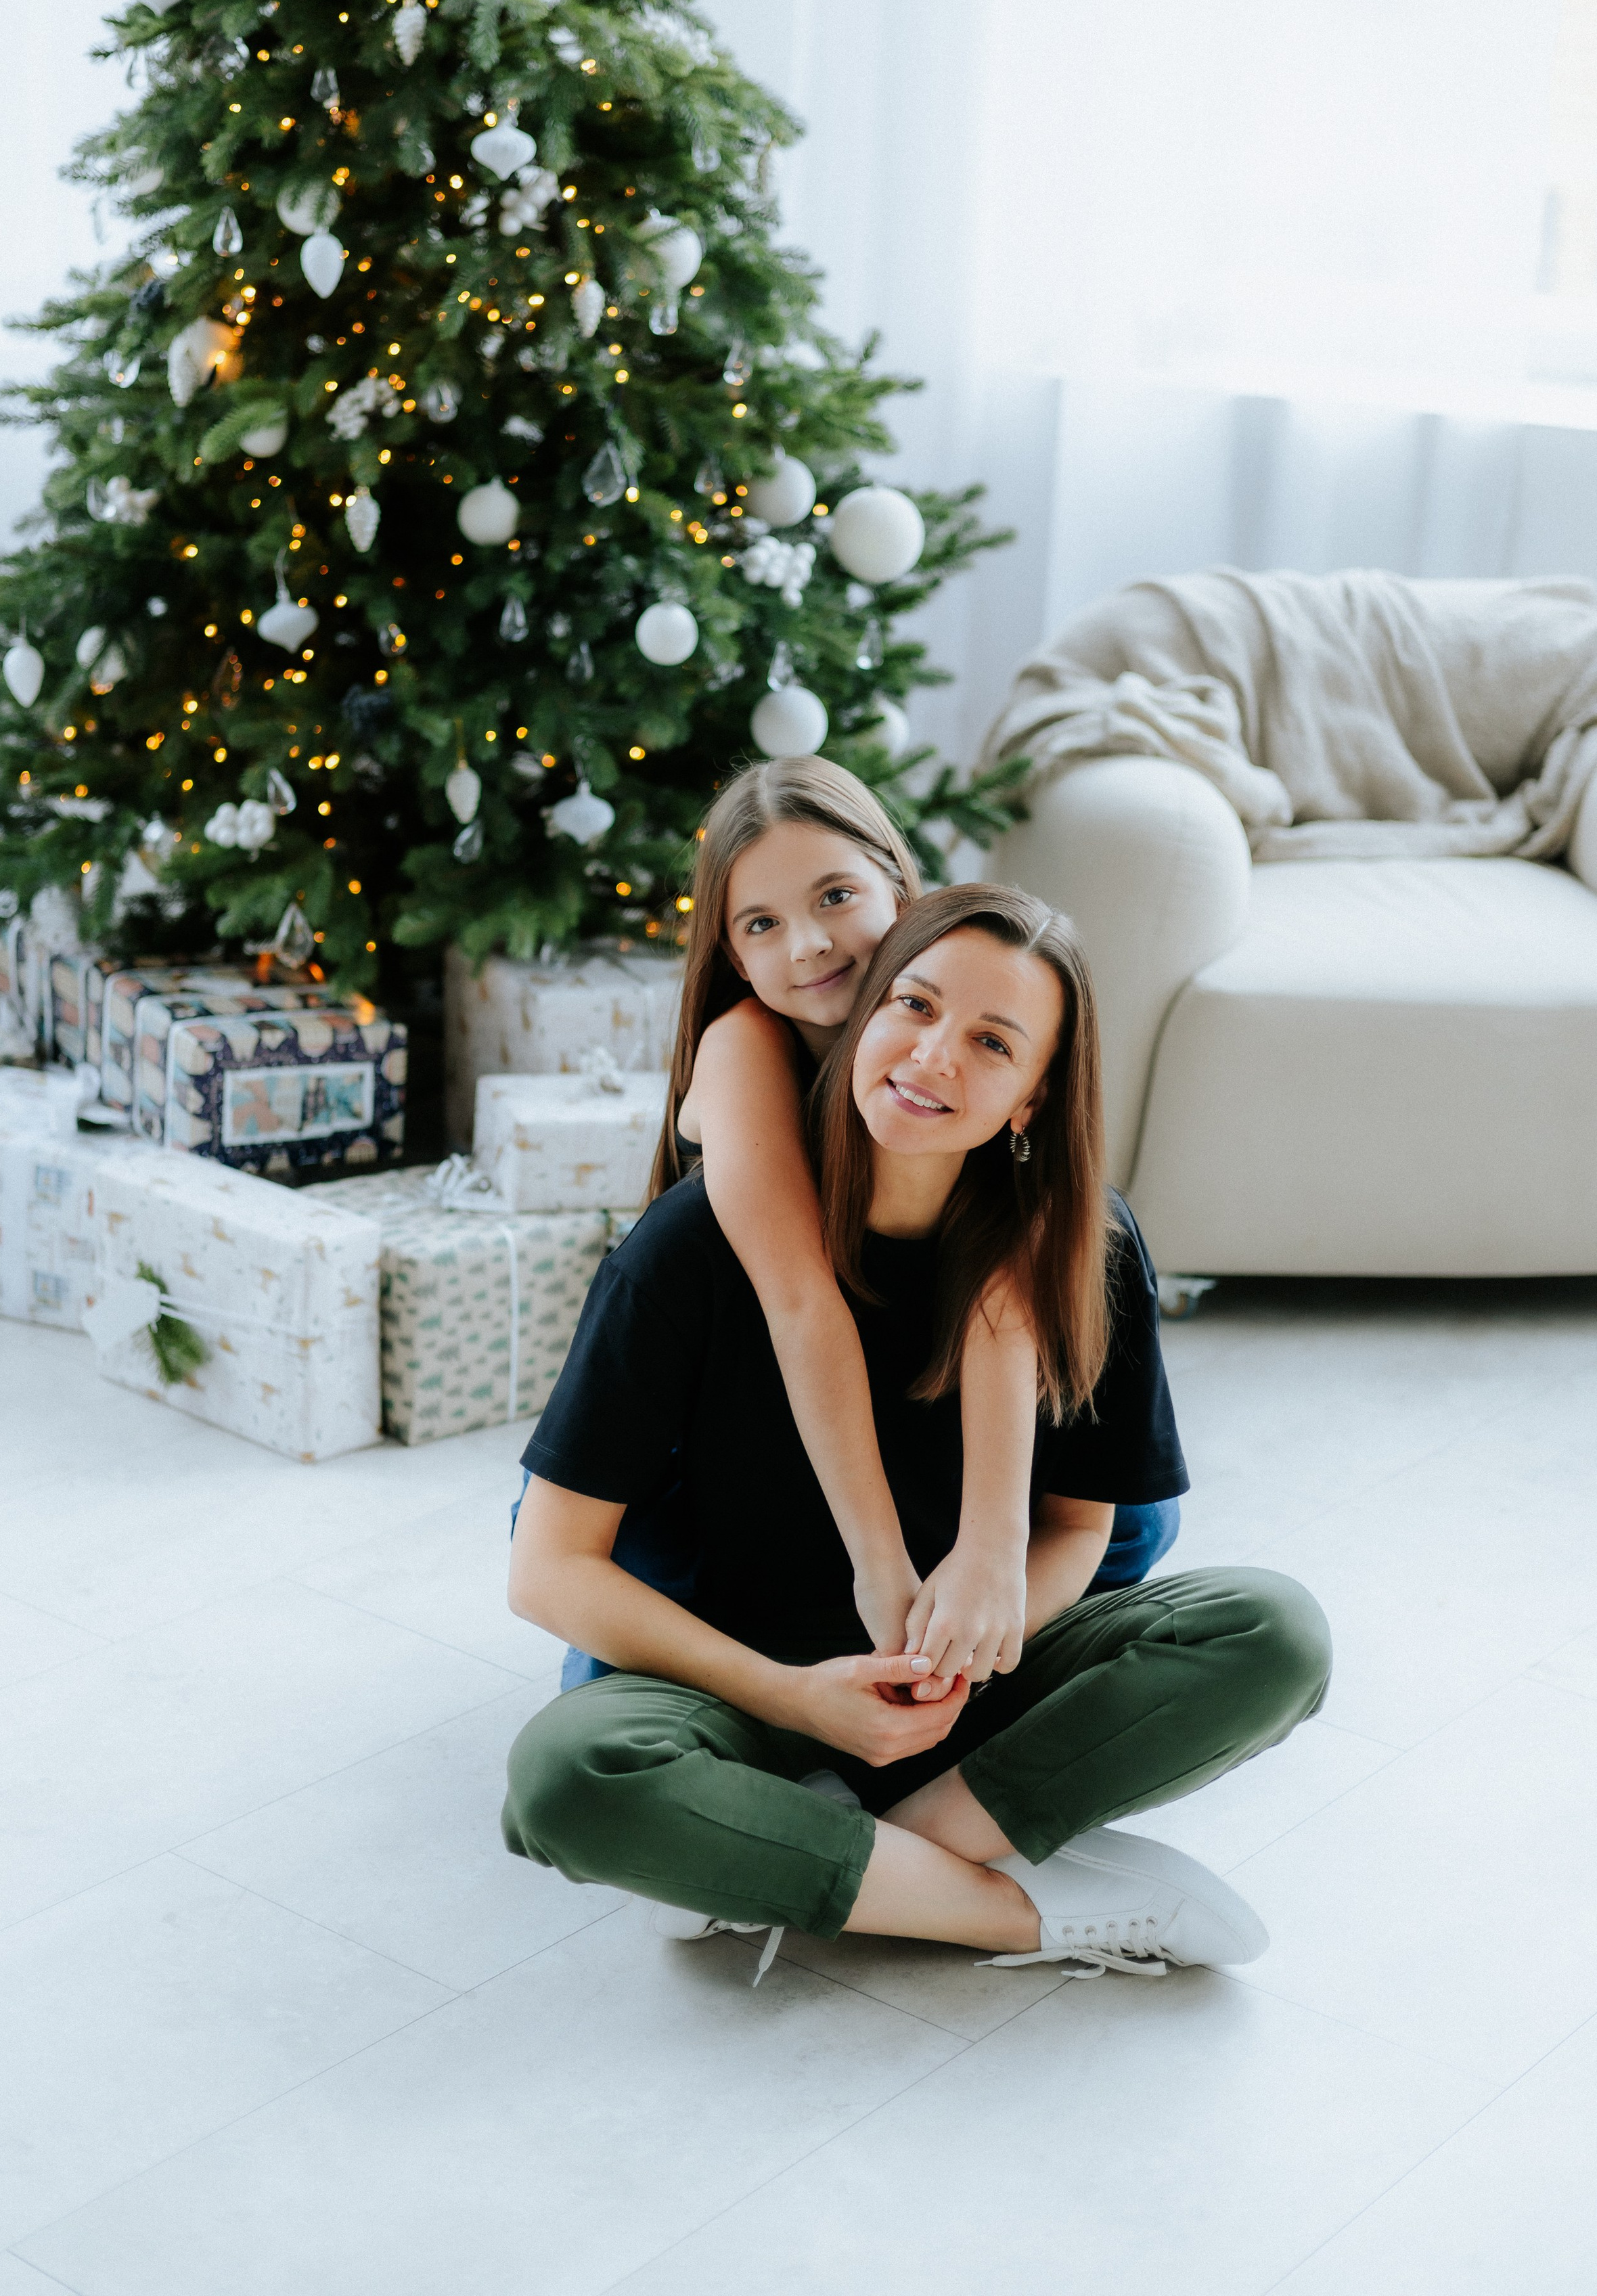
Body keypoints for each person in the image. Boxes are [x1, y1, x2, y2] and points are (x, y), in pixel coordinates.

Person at [503, 885, 1331, 1979]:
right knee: (570, 1776)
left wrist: (962, 1656)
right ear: (865, 1015)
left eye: (993, 1042)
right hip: (749, 1693)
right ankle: (1022, 1911)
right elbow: (548, 1570)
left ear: (1034, 1099)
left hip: (962, 1699)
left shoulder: (1086, 1250)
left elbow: (1082, 1526)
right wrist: (796, 1697)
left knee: (1275, 1634)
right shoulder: (697, 1244)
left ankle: (808, 1855)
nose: (934, 1056)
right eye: (916, 1005)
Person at [574, 757, 1173, 1698]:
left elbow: (1011, 1281)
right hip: (718, 1439)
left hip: (901, 1403)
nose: (809, 944)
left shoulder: (978, 1002)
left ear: (902, 888)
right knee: (666, 1622)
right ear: (732, 955)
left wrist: (996, 1548)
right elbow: (803, 1305)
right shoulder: (746, 1052)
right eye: (761, 924)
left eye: (836, 896)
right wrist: (883, 1573)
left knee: (1133, 1516)